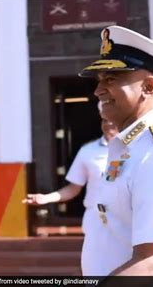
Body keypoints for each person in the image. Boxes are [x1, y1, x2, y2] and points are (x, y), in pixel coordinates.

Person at [78, 25, 153, 276]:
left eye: (111, 79)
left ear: (149, 87)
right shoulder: (130, 147)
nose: (98, 90)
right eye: (99, 80)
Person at [23, 118, 118, 275]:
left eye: (112, 120)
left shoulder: (135, 148)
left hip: (127, 219)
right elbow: (74, 188)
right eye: (104, 120)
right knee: (95, 269)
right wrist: (46, 198)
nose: (109, 124)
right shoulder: (88, 151)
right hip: (96, 220)